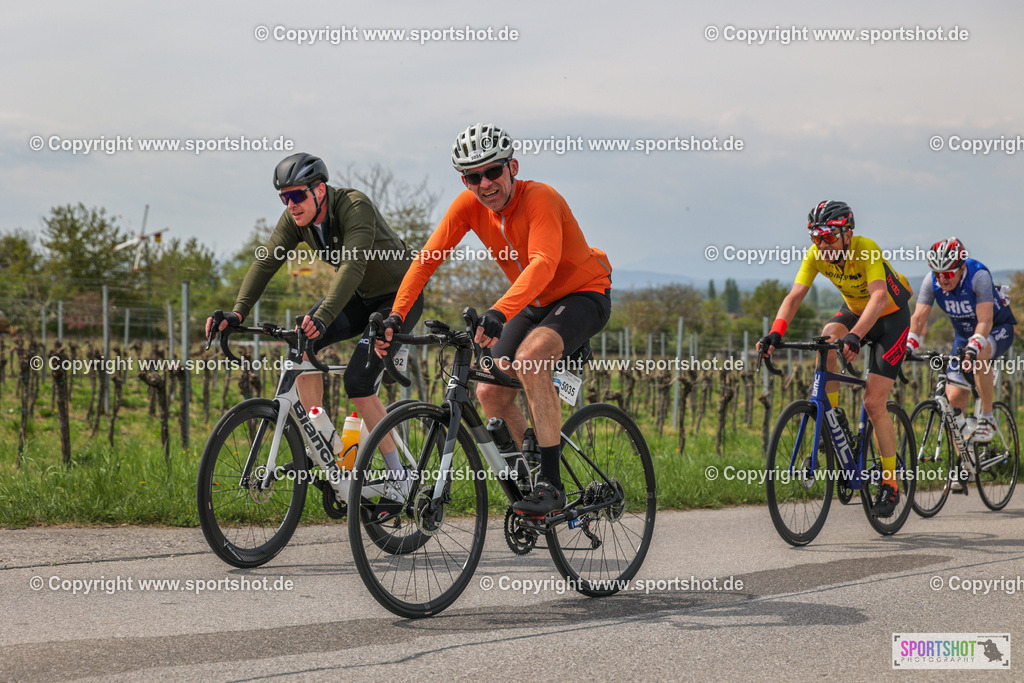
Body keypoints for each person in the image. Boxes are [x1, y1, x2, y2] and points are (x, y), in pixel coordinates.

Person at [375, 123, 613, 517]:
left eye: (492, 171)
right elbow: (425, 262)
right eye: (474, 177)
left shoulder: (541, 198)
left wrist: (499, 311)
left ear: (512, 167)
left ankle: (551, 487)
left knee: (530, 360)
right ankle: (531, 478)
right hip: (533, 300)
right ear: (465, 181)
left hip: (583, 293)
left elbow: (543, 263)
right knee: (489, 391)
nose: (485, 183)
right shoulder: (468, 206)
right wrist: (396, 315)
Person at [206, 152, 423, 476]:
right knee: (301, 345)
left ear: (319, 190)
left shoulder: (354, 206)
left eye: (296, 196)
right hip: (359, 297)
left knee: (357, 382)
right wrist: (238, 313)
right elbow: (266, 262)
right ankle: (325, 442)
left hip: (399, 298)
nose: (291, 205)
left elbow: (352, 266)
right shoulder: (296, 219)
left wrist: (322, 317)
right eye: (284, 198)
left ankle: (399, 476)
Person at [757, 200, 913, 517]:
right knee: (827, 339)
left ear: (847, 234)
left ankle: (890, 483)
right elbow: (794, 296)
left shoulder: (865, 249)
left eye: (828, 236)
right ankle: (835, 416)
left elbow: (879, 297)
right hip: (855, 310)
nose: (822, 244)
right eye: (816, 237)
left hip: (891, 319)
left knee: (873, 402)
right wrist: (775, 332)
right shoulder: (816, 255)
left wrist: (855, 335)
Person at [907, 237, 1016, 452]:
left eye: (948, 274)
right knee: (953, 400)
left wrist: (974, 347)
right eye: (938, 274)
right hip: (964, 336)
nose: (942, 279)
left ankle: (987, 418)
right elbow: (918, 318)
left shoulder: (978, 276)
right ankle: (964, 462)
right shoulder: (931, 281)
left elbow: (985, 321)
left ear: (961, 268)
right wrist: (909, 345)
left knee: (980, 353)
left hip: (996, 329)